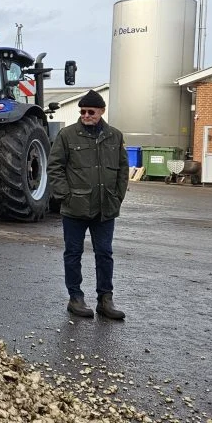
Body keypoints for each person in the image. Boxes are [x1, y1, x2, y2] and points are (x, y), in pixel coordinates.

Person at [47, 89, 129, 320]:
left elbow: (123, 170)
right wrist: (65, 196)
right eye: (82, 111)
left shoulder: (115, 136)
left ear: (101, 111)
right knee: (73, 253)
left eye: (90, 111)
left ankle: (105, 299)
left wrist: (117, 196)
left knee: (105, 253)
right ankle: (75, 298)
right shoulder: (67, 135)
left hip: (106, 208)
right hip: (75, 208)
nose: (85, 115)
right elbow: (55, 167)